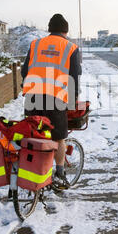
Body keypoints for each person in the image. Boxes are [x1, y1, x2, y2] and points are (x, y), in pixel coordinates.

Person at [21, 13, 82, 190]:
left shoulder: (35, 44)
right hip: (56, 99)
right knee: (59, 137)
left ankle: (34, 171)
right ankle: (60, 173)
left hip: (33, 96)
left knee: (34, 133)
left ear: (49, 30)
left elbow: (25, 71)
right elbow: (74, 77)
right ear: (65, 31)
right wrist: (73, 99)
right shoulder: (70, 47)